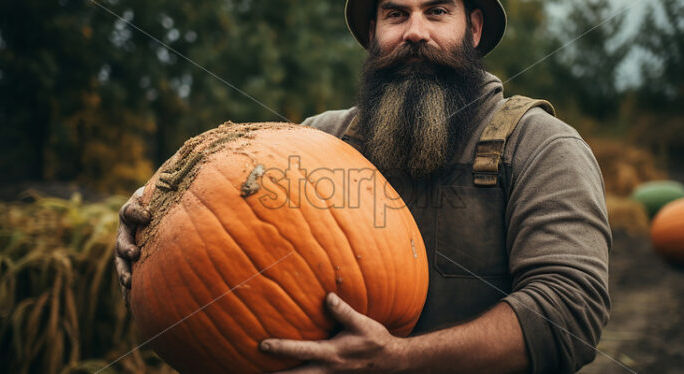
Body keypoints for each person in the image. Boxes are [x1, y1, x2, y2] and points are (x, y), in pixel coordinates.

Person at [115, 0, 612, 372]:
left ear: (474, 29)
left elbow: (570, 309)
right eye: (395, 14)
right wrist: (150, 221)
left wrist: (401, 359)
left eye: (437, 11)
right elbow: (219, 207)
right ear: (373, 33)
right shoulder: (317, 138)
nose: (415, 32)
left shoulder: (540, 146)